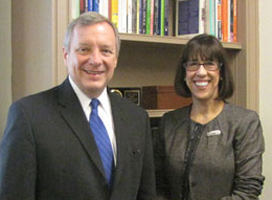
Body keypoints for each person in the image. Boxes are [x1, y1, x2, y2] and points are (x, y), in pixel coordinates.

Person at [0, 12, 155, 200]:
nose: (96, 60)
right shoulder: (28, 116)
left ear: (115, 59)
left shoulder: (136, 118)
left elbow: (146, 195)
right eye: (84, 49)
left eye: (106, 51)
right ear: (66, 55)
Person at [154, 34, 265, 200]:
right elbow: (158, 185)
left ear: (221, 72)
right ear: (184, 74)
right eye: (193, 64)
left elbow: (248, 191)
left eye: (209, 64)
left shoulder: (244, 122)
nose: (201, 72)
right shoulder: (169, 122)